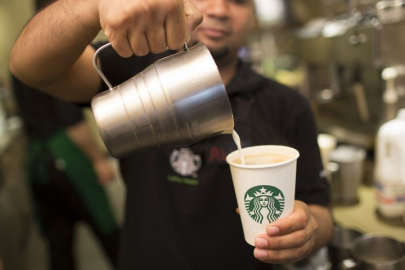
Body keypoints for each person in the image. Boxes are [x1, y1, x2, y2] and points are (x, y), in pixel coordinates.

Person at [9, 0, 334, 269]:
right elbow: (27, 66)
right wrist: (94, 6)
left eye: (238, 0)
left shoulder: (287, 104)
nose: (220, 9)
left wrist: (308, 229)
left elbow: (320, 211)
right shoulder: (133, 65)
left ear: (254, 15)